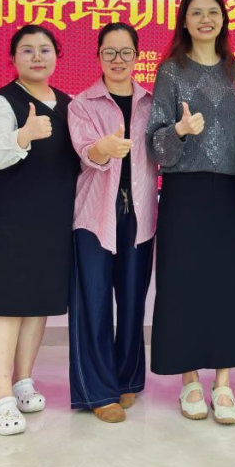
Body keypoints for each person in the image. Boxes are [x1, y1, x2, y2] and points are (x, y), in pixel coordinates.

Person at [146, 0, 235, 425]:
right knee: (182, 281)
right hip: (183, 191)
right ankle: (189, 379)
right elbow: (155, 142)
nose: (205, 19)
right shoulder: (171, 70)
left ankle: (223, 383)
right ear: (184, 21)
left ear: (223, 19)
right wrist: (181, 131)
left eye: (213, 12)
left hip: (228, 191)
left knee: (228, 283)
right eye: (196, 13)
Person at [0, 25, 80, 436]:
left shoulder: (69, 104)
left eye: (45, 50)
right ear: (12, 58)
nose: (37, 57)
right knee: (6, 305)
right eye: (27, 50)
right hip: (7, 221)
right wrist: (23, 135)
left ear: (57, 57)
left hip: (51, 221)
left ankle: (22, 381)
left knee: (36, 305)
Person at [67, 23, 158, 424]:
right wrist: (102, 148)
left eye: (125, 52)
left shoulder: (152, 103)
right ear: (98, 56)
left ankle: (127, 379)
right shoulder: (82, 104)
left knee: (134, 301)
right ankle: (98, 392)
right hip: (94, 217)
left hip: (140, 215)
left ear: (137, 56)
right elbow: (87, 152)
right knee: (95, 303)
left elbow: (163, 151)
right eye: (110, 52)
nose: (118, 60)